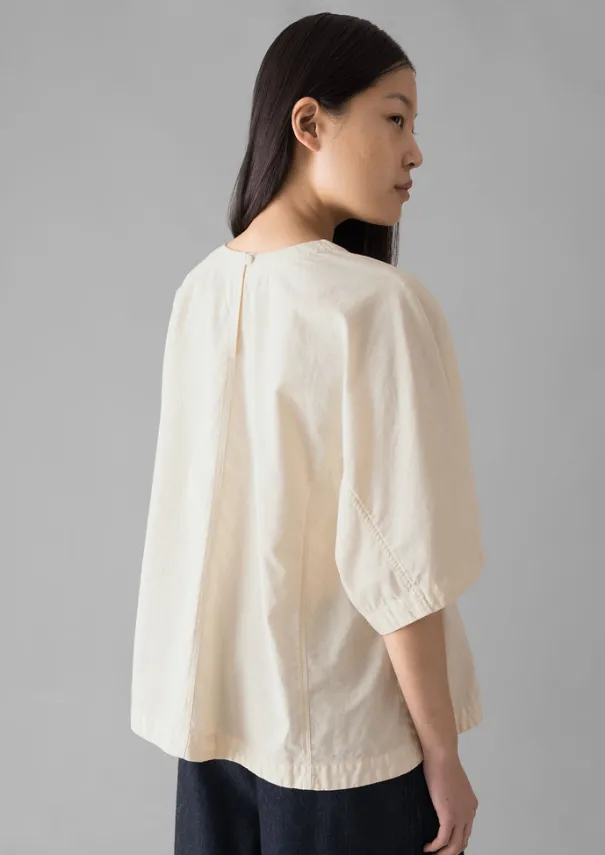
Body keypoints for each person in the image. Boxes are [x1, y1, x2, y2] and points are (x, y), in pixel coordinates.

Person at [130, 11, 486, 855]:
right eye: (394, 117)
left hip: (212, 737)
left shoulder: (199, 292)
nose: (414, 151)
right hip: (344, 743)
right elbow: (398, 559)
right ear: (308, 123)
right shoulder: (377, 306)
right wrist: (441, 752)